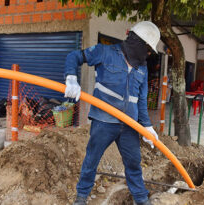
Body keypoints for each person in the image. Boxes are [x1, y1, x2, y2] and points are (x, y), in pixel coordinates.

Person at [64, 21, 160, 205]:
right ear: (138, 43)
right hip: (103, 121)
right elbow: (74, 56)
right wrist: (71, 78)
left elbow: (141, 100)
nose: (148, 55)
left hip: (129, 125)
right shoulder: (104, 52)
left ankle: (141, 199)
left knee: (133, 164)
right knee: (91, 160)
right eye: (148, 49)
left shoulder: (142, 68)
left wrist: (146, 125)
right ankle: (81, 197)